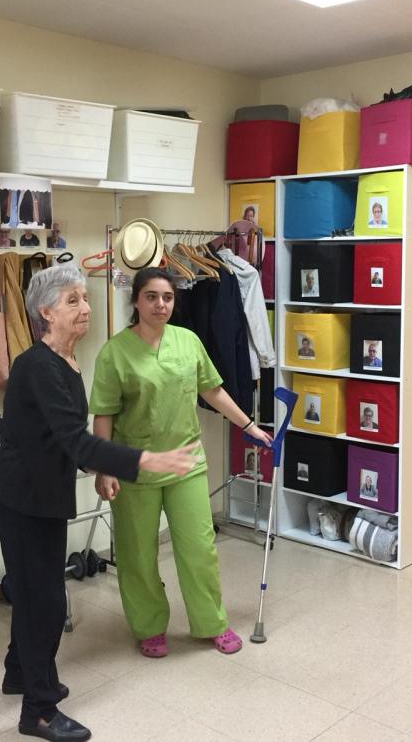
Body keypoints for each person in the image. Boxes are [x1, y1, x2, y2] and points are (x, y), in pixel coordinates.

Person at [0, 264, 198, 742]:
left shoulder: (66, 359)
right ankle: (38, 711)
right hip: (21, 499)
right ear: (46, 313)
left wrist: (100, 469)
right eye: (73, 301)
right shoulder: (38, 366)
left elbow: (67, 441)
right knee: (43, 601)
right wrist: (145, 460)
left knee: (35, 592)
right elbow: (76, 440)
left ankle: (20, 673)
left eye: (84, 298)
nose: (85, 308)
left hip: (40, 495)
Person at [90, 268, 272, 660]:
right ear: (136, 301)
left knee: (199, 548)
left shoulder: (188, 341)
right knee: (138, 554)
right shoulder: (114, 353)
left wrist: (250, 426)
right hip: (135, 467)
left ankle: (211, 623)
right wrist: (105, 468)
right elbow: (103, 414)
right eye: (151, 297)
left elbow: (213, 390)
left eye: (168, 297)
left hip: (185, 462)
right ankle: (149, 627)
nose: (161, 305)